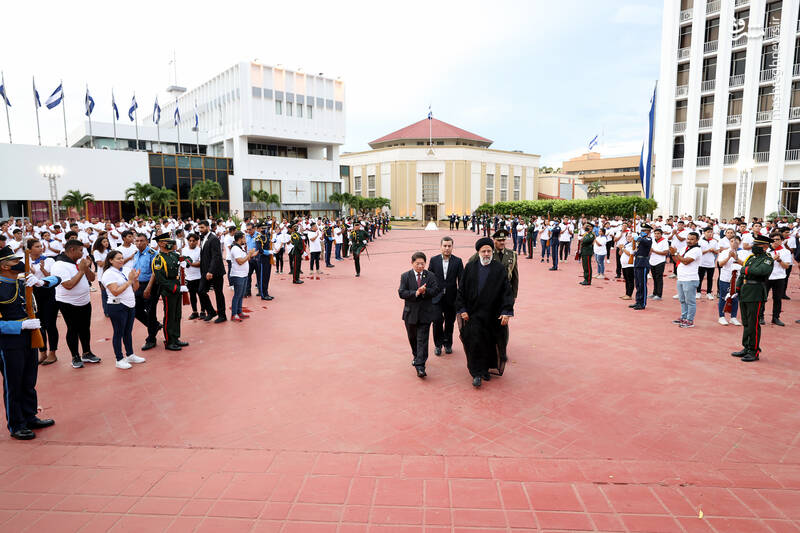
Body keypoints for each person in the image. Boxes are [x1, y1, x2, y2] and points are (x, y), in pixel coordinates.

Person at [0, 245, 59, 440]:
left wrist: (41, 282)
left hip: (30, 335)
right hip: (10, 341)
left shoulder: (22, 281)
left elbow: (57, 279)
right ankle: (16, 424)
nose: (19, 263)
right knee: (13, 383)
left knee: (29, 379)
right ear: (4, 266)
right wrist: (20, 326)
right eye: (14, 261)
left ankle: (29, 415)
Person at [456, 238, 514, 388]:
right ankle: (476, 373)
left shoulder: (499, 269)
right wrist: (462, 309)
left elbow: (506, 292)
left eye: (489, 251)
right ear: (478, 252)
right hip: (473, 314)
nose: (487, 254)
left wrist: (506, 311)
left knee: (489, 343)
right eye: (484, 251)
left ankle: (485, 369)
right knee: (474, 342)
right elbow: (461, 290)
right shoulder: (470, 267)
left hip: (492, 314)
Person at [51, 239, 101, 368]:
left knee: (85, 328)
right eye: (80, 250)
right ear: (72, 250)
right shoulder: (59, 265)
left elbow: (92, 278)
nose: (82, 253)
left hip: (84, 300)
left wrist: (87, 267)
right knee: (73, 329)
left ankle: (87, 352)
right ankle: (75, 356)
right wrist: (81, 270)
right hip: (68, 302)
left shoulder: (77, 262)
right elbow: (68, 285)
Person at [398, 252, 441, 378]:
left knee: (422, 340)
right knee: (413, 338)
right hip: (410, 314)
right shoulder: (405, 276)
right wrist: (416, 293)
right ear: (412, 263)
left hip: (425, 314)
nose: (420, 266)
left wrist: (425, 291)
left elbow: (435, 290)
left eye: (422, 263)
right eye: (418, 263)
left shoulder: (430, 276)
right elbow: (401, 293)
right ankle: (416, 356)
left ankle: (420, 366)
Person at [732, 234, 775, 362]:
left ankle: (754, 350)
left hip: (756, 293)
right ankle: (746, 347)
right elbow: (742, 274)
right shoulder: (751, 258)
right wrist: (738, 288)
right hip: (745, 291)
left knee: (753, 324)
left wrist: (745, 269)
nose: (754, 247)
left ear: (765, 247)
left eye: (757, 245)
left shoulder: (767, 259)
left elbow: (760, 272)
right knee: (746, 322)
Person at [101, 250, 147, 369]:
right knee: (118, 332)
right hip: (117, 306)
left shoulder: (126, 270)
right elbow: (115, 291)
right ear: (110, 260)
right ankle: (119, 359)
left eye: (122, 258)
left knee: (128, 332)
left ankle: (130, 354)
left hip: (130, 304)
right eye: (118, 258)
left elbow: (135, 288)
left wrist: (135, 279)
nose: (121, 260)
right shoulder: (108, 274)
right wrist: (130, 281)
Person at [148, 233, 189, 350]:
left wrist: (186, 262)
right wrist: (175, 288)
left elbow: (186, 259)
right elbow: (160, 279)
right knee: (169, 316)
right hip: (169, 290)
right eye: (167, 242)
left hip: (178, 287)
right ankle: (169, 341)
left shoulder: (173, 255)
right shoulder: (158, 259)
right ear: (160, 243)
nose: (170, 244)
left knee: (177, 315)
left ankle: (176, 337)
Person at [428, 236, 464, 356]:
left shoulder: (458, 261)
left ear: (452, 247)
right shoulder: (434, 260)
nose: (447, 248)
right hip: (436, 297)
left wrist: (460, 298)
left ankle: (448, 343)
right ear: (440, 247)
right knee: (437, 321)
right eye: (445, 246)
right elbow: (429, 277)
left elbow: (461, 280)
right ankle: (438, 345)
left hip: (451, 298)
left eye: (449, 246)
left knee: (450, 322)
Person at [27, 239, 58, 365]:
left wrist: (43, 269)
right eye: (37, 246)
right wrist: (30, 271)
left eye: (41, 246)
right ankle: (42, 351)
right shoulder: (25, 260)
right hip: (33, 293)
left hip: (48, 291)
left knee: (50, 323)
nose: (40, 248)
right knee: (38, 324)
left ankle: (53, 352)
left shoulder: (49, 260)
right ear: (30, 249)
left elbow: (52, 277)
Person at [131, 233, 160, 349]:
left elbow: (155, 272)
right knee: (135, 309)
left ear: (147, 242)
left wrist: (148, 288)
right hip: (139, 285)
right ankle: (154, 326)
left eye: (141, 241)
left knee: (150, 312)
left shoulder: (152, 253)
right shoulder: (136, 254)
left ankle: (151, 339)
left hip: (150, 286)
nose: (139, 243)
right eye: (137, 241)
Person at [759, 232, 792, 327]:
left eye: (778, 239)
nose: (775, 241)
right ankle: (761, 316)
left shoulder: (786, 252)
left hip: (779, 278)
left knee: (777, 298)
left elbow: (786, 266)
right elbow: (761, 264)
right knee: (763, 298)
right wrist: (772, 259)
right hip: (766, 277)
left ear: (782, 241)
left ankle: (776, 317)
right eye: (773, 239)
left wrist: (779, 260)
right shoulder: (765, 251)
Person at [669, 231, 702, 328]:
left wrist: (675, 253)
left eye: (692, 239)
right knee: (682, 300)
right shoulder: (684, 248)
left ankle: (690, 320)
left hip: (690, 278)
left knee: (690, 301)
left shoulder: (697, 250)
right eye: (688, 239)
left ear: (697, 240)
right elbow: (677, 261)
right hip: (681, 277)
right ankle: (684, 317)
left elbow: (686, 261)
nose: (689, 241)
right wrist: (673, 255)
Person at [198, 220, 227, 323]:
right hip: (205, 271)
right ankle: (211, 311)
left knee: (218, 293)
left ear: (208, 227)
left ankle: (222, 315)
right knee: (201, 291)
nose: (200, 230)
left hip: (215, 271)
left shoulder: (213, 238)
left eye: (202, 227)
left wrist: (211, 271)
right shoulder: (203, 238)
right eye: (199, 228)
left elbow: (216, 256)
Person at [229, 231, 256, 322]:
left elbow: (246, 258)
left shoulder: (241, 248)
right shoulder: (235, 249)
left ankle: (239, 312)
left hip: (243, 274)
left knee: (241, 295)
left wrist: (252, 254)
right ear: (240, 239)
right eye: (244, 238)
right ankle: (234, 314)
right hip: (238, 275)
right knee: (237, 295)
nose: (245, 239)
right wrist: (249, 254)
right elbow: (240, 261)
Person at [717, 235, 744, 326]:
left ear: (740, 242)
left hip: (738, 279)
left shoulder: (744, 252)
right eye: (732, 241)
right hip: (725, 278)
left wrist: (736, 258)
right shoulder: (724, 252)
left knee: (735, 298)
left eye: (736, 241)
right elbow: (720, 264)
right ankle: (721, 316)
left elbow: (745, 265)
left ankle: (733, 317)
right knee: (723, 297)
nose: (734, 243)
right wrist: (729, 257)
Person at [631, 223, 653, 310]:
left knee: (642, 284)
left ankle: (642, 303)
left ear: (648, 231)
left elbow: (644, 242)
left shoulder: (648, 239)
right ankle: (638, 301)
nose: (642, 232)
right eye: (642, 230)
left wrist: (637, 237)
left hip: (643, 262)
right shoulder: (642, 239)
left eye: (644, 230)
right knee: (638, 283)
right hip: (637, 261)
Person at [181, 233, 202, 319]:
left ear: (197, 241)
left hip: (199, 277)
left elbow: (200, 263)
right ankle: (195, 311)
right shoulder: (184, 250)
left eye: (194, 241)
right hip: (188, 277)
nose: (192, 242)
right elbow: (181, 262)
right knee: (192, 296)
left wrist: (189, 263)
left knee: (201, 295)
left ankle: (203, 311)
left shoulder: (200, 250)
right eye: (190, 241)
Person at [254, 223, 274, 300]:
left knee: (267, 277)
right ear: (259, 229)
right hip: (262, 259)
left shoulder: (268, 236)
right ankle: (263, 294)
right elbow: (260, 250)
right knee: (263, 277)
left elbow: (270, 245)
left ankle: (266, 292)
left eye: (266, 228)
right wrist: (268, 252)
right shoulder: (258, 238)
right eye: (262, 228)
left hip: (268, 259)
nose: (265, 230)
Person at [649, 228, 669, 300]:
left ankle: (659, 294)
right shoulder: (652, 240)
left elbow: (665, 252)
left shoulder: (664, 241)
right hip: (652, 261)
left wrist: (654, 251)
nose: (656, 235)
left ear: (661, 234)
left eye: (658, 233)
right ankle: (654, 292)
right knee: (654, 278)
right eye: (655, 233)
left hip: (660, 262)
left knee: (659, 278)